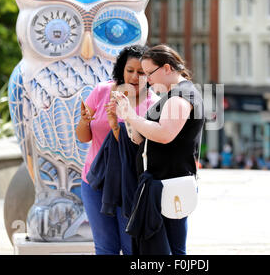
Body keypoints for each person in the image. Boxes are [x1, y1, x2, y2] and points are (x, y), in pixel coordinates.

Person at [111, 44, 204, 255]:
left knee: (170, 249)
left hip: (169, 183)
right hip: (163, 183)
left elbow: (164, 134)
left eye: (149, 73)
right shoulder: (175, 94)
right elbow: (145, 136)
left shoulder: (181, 95)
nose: (147, 79)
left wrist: (131, 116)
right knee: (166, 248)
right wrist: (128, 118)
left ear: (167, 68)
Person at [76, 45, 159, 255]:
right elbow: (84, 137)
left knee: (130, 246)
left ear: (150, 76)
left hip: (130, 184)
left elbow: (139, 147)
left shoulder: (154, 104)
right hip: (95, 180)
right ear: (121, 69)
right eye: (129, 70)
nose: (134, 76)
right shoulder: (103, 91)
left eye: (141, 72)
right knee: (105, 247)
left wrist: (116, 125)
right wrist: (84, 122)